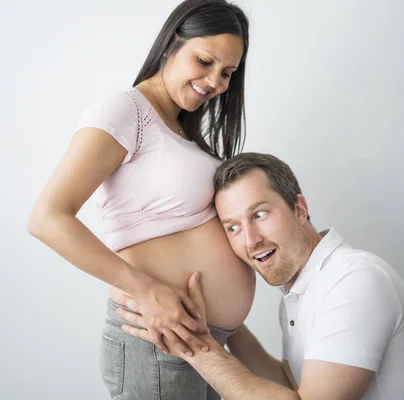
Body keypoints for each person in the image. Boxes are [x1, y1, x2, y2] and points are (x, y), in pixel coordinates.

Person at [27, 1, 255, 399]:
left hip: (200, 339)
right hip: (156, 338)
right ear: (171, 43)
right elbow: (47, 218)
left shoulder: (182, 130)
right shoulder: (126, 109)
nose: (216, 82)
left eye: (227, 73)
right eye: (204, 61)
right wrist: (148, 290)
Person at [119, 153, 404, 399]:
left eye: (259, 215)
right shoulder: (302, 292)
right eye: (233, 227)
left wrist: (197, 347)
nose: (250, 239)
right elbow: (290, 384)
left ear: (299, 208)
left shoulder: (354, 281)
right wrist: (224, 324)